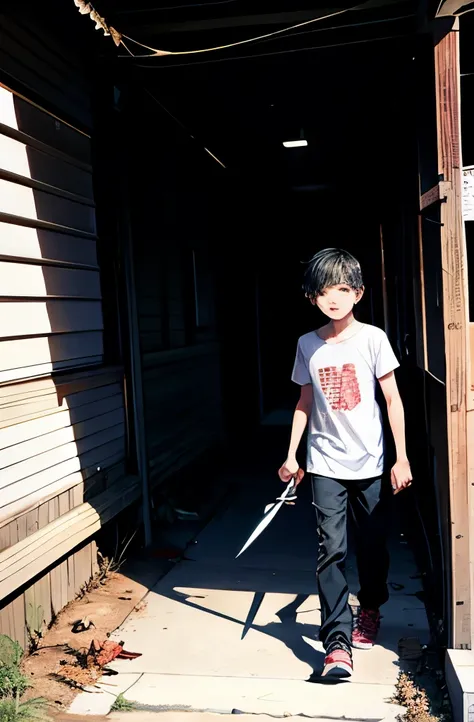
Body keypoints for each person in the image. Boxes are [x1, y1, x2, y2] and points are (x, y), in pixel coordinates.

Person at [278, 248, 412, 680]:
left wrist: (401, 457)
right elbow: (304, 402)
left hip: (370, 462)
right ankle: (336, 643)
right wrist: (292, 454)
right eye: (323, 290)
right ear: (311, 296)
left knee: (372, 547)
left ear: (358, 292)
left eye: (342, 288)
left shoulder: (373, 338)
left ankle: (369, 608)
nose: (332, 298)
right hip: (325, 463)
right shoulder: (307, 344)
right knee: (330, 551)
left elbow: (392, 398)